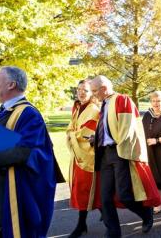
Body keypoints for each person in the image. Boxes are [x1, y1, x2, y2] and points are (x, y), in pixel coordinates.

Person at [0, 66, 64, 238]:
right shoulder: (3, 112)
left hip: (16, 187)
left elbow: (24, 152)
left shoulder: (28, 114)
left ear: (11, 84)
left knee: (6, 229)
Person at [89, 76, 160, 237]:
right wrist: (97, 138)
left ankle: (145, 214)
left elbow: (127, 129)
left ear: (104, 88)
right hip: (105, 154)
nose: (93, 95)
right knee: (105, 197)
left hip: (120, 153)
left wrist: (118, 147)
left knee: (124, 195)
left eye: (94, 91)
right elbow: (108, 129)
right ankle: (113, 232)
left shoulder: (123, 100)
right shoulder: (105, 104)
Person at [66, 79, 102, 238]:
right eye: (79, 89)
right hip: (78, 156)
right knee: (83, 190)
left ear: (92, 92)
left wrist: (71, 136)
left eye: (85, 90)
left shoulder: (93, 109)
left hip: (89, 156)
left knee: (89, 190)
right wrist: (71, 134)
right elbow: (71, 128)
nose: (81, 92)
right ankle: (84, 223)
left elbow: (87, 133)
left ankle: (83, 225)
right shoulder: (78, 108)